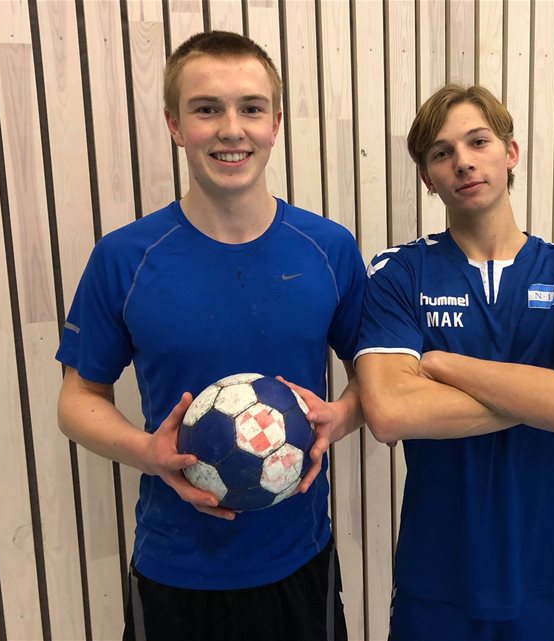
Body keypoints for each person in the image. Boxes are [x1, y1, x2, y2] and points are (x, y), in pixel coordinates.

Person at [56, 30, 364, 641]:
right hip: (176, 569)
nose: (231, 129)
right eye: (206, 109)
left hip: (299, 560)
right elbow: (77, 399)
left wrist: (342, 417)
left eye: (251, 108)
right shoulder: (125, 257)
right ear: (174, 124)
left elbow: (374, 378)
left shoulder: (328, 249)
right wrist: (146, 451)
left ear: (275, 124)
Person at [355, 84, 554, 641]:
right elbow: (389, 413)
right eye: (441, 153)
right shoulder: (398, 273)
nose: (463, 161)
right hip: (435, 576)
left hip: (545, 573)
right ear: (427, 176)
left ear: (510, 153)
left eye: (478, 142)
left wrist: (444, 365)